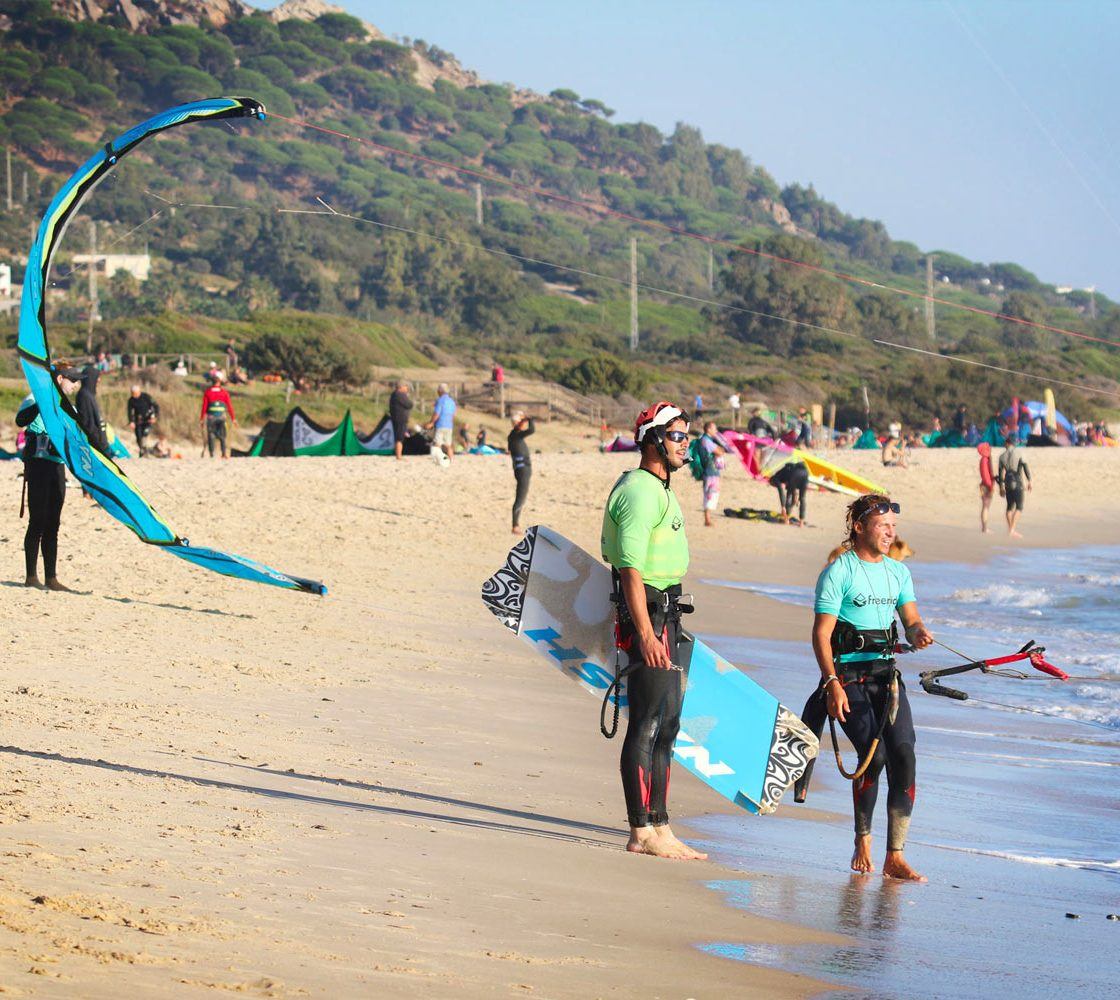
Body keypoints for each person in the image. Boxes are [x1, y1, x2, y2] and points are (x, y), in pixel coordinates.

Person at [807, 493, 933, 881]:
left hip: (886, 677)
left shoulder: (898, 573)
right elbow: (821, 634)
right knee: (872, 757)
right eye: (882, 526)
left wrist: (918, 632)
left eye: (893, 527)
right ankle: (863, 839)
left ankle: (895, 855)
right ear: (860, 527)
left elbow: (910, 621)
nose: (889, 533)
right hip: (847, 676)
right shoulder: (838, 572)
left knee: (905, 755)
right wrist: (831, 684)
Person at [601, 401, 706, 861]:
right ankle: (641, 830)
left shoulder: (659, 487)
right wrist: (644, 632)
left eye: (688, 435)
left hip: (668, 614)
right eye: (678, 435)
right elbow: (628, 569)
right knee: (646, 723)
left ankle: (660, 826)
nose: (687, 443)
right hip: (649, 617)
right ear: (653, 440)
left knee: (668, 724)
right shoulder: (640, 491)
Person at [15, 372, 78, 591]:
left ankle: (51, 578)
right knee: (38, 520)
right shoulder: (35, 397)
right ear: (60, 379)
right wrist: (42, 401)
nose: (76, 385)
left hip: (57, 466)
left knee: (54, 523)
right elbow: (20, 421)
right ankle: (31, 577)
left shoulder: (67, 406)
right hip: (38, 465)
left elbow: (79, 435)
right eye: (73, 380)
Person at [997, 436, 1031, 538]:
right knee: (1019, 506)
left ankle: (1011, 529)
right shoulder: (1019, 453)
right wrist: (1030, 481)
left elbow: (1000, 474)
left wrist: (1001, 487)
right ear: (1013, 443)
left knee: (1009, 507)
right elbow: (1025, 468)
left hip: (1007, 482)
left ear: (1007, 443)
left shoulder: (1001, 456)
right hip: (1017, 482)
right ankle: (1012, 530)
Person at [507, 410, 535, 535]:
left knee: (521, 498)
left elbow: (526, 429)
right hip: (522, 470)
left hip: (524, 469)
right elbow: (532, 430)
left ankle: (516, 524)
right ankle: (515, 525)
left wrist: (525, 418)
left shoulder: (515, 435)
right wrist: (528, 418)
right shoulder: (514, 435)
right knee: (520, 498)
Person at [74, 366, 110, 456]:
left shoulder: (89, 395)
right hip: (95, 446)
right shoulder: (84, 396)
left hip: (99, 444)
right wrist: (99, 444)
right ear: (90, 378)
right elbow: (89, 424)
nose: (99, 380)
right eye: (97, 377)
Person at [200, 378, 236, 458]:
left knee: (211, 435)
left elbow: (204, 407)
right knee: (222, 436)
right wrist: (233, 418)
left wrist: (202, 418)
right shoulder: (224, 393)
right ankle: (223, 453)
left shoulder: (208, 392)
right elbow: (229, 406)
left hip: (211, 417)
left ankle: (211, 454)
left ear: (212, 383)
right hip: (221, 417)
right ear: (219, 383)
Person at [697, 421, 724, 527]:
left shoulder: (706, 440)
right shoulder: (706, 440)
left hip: (710, 470)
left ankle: (708, 518)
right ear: (708, 429)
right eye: (714, 429)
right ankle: (707, 519)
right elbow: (719, 452)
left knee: (711, 493)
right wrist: (720, 449)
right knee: (710, 494)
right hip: (709, 471)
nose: (716, 431)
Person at [771, 460, 809, 525]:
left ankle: (786, 519)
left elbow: (787, 491)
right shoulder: (789, 470)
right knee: (802, 498)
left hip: (796, 473)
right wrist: (795, 496)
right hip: (806, 473)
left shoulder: (778, 477)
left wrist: (783, 507)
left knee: (789, 496)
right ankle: (801, 523)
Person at [126, 384, 159, 457]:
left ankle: (144, 451)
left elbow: (156, 406)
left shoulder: (146, 397)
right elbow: (129, 411)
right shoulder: (131, 400)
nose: (134, 395)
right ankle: (142, 451)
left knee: (145, 435)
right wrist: (131, 421)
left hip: (148, 420)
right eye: (132, 393)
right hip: (138, 421)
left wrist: (155, 417)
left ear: (139, 392)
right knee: (138, 437)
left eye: (135, 394)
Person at [427, 383, 456, 463]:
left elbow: (437, 413)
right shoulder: (452, 401)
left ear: (440, 391)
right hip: (449, 425)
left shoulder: (440, 401)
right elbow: (453, 415)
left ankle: (438, 459)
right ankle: (451, 459)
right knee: (448, 445)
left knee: (437, 444)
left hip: (440, 424)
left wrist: (431, 422)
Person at [388, 380, 413, 461]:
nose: (407, 389)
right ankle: (399, 456)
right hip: (400, 419)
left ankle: (399, 455)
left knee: (399, 437)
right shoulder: (400, 395)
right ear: (401, 387)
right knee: (399, 438)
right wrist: (407, 396)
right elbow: (409, 404)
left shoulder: (394, 394)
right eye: (406, 387)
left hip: (397, 418)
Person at [977, 442, 995, 533]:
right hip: (986, 485)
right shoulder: (984, 460)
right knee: (985, 507)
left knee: (986, 507)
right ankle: (984, 528)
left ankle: (984, 527)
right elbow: (985, 475)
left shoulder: (985, 459)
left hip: (986, 484)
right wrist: (990, 486)